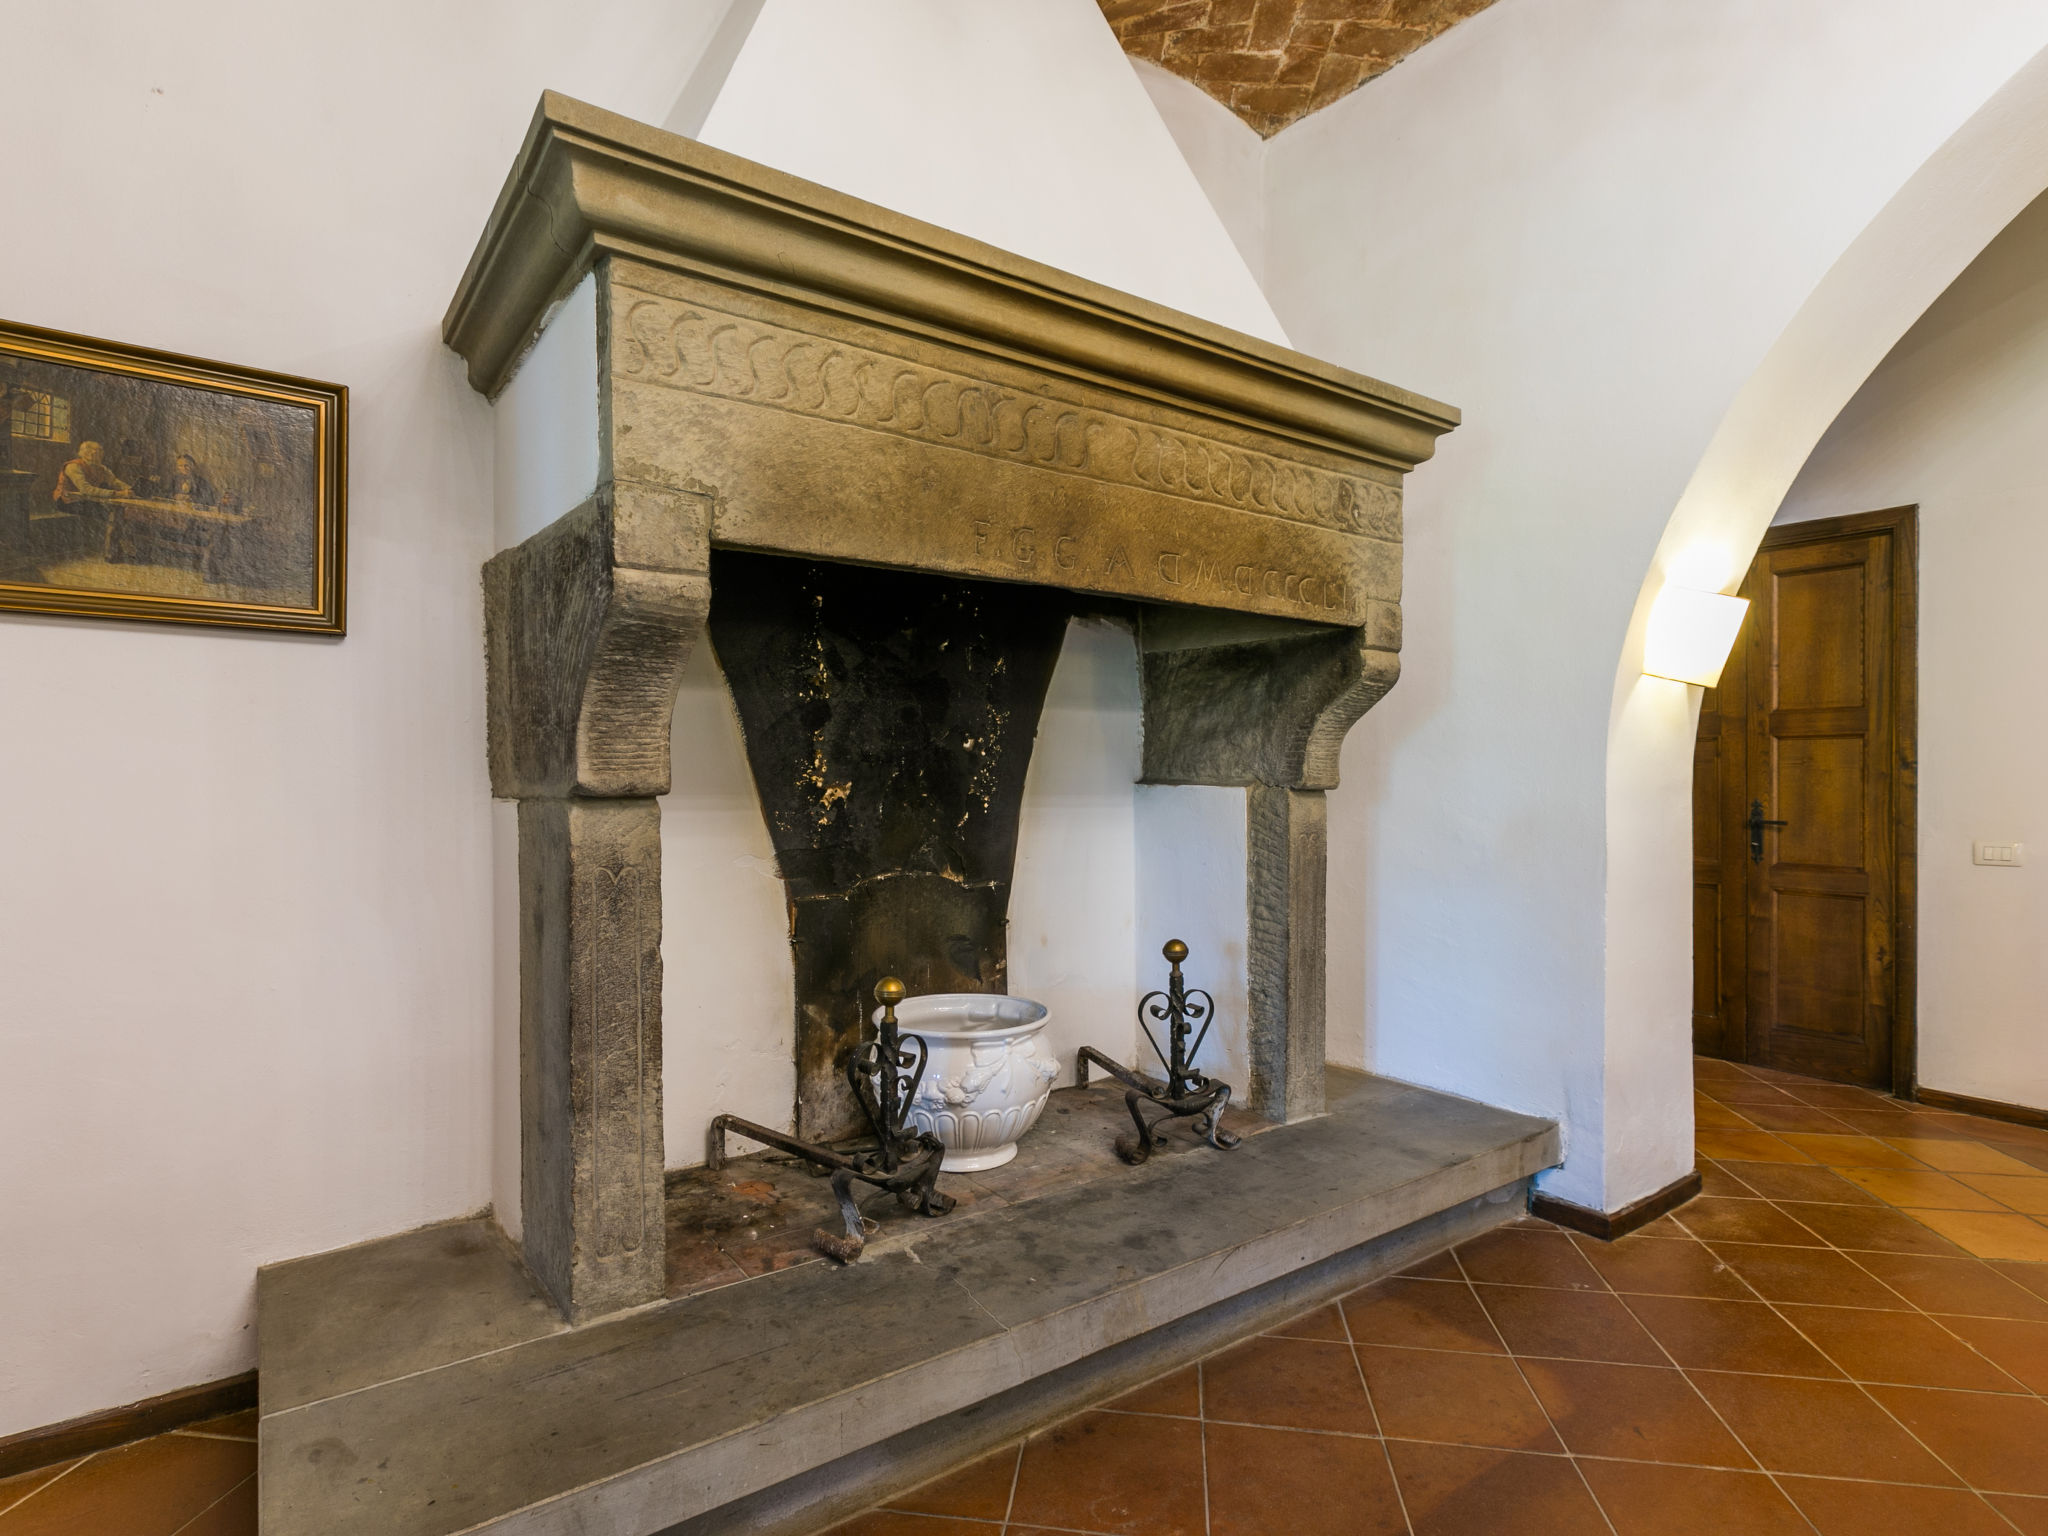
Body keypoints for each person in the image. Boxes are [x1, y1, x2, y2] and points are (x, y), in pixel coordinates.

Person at [52, 440, 132, 504]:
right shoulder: (73, 466)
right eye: (99, 451)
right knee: (107, 512)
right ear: (88, 454)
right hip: (68, 501)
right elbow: (86, 489)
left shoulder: (101, 468)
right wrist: (117, 494)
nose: (102, 454)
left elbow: (114, 481)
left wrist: (130, 490)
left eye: (101, 451)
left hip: (86, 499)